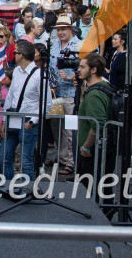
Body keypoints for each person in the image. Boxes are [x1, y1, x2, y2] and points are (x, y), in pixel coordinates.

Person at [1, 40, 49, 184]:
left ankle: (28, 190)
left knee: (26, 161)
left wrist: (32, 122)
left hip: (28, 120)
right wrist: (4, 120)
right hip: (13, 118)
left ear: (21, 55)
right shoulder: (15, 70)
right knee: (4, 157)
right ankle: (8, 188)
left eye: (15, 52)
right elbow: (10, 96)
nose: (13, 54)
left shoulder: (40, 75)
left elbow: (46, 104)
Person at [48, 15, 81, 177]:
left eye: (63, 29)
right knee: (57, 127)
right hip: (55, 93)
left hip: (71, 94)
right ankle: (62, 157)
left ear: (70, 29)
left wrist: (72, 77)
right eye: (58, 29)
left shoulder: (79, 45)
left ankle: (71, 161)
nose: (60, 32)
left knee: (70, 129)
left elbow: (89, 68)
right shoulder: (53, 45)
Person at [76, 54, 112, 178]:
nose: (78, 70)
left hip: (93, 152)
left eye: (82, 67)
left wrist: (86, 147)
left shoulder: (94, 95)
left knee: (90, 191)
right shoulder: (104, 85)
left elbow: (98, 124)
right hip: (100, 150)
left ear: (93, 70)